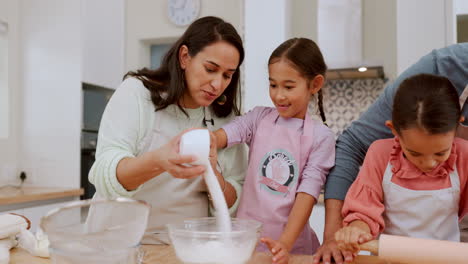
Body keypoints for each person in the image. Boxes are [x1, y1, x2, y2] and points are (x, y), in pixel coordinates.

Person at [88, 16, 248, 244]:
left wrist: (216, 178)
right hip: (116, 244)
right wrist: (158, 161)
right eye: (210, 69)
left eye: (227, 75)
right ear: (185, 57)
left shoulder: (228, 120)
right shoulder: (137, 93)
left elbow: (236, 200)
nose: (217, 84)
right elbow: (104, 175)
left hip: (182, 249)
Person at [313, 43, 468, 264]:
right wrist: (356, 228)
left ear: (456, 129)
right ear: (394, 130)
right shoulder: (380, 154)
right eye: (414, 153)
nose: (429, 163)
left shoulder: (463, 156)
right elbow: (365, 207)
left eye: (440, 153)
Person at [214, 38, 336, 264]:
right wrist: (207, 141)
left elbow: (307, 194)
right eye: (273, 85)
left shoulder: (321, 137)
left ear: (315, 84)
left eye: (288, 87)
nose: (279, 95)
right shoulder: (259, 118)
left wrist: (285, 244)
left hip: (293, 248)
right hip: (247, 243)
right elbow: (228, 133)